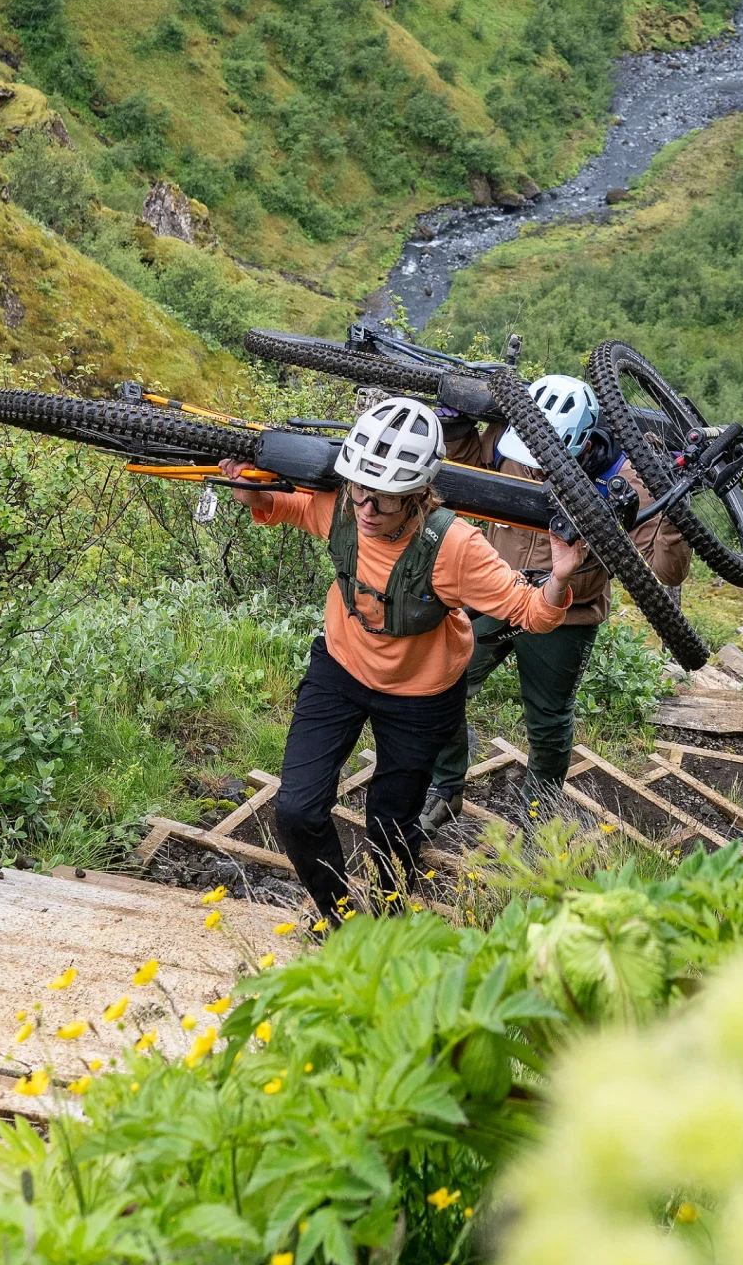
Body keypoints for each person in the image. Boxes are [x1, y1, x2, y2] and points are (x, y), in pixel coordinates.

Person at [221, 393, 586, 925]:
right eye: (360, 491)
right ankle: (342, 921)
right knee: (296, 810)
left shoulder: (455, 547)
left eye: (386, 499)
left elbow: (530, 612)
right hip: (340, 668)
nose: (368, 510)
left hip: (421, 695)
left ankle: (391, 919)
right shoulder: (343, 506)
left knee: (390, 825)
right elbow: (286, 505)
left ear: (418, 495)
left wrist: (560, 576)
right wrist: (251, 491)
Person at [424, 374, 691, 828]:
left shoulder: (626, 480)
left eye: (545, 462)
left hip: (569, 614)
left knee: (548, 719)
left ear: (581, 445)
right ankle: (445, 786)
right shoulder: (507, 440)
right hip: (497, 594)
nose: (534, 470)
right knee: (441, 684)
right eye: (528, 459)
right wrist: (453, 424)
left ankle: (539, 810)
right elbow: (469, 466)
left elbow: (668, 571)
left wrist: (672, 511)